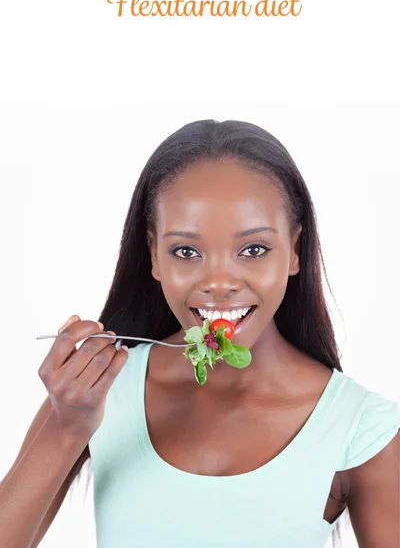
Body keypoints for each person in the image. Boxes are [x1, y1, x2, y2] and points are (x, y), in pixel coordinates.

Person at [1, 119, 399, 548]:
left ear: (295, 251)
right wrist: (66, 427)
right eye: (186, 251)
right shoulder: (95, 392)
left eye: (253, 249)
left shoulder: (360, 427)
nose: (219, 282)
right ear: (154, 256)